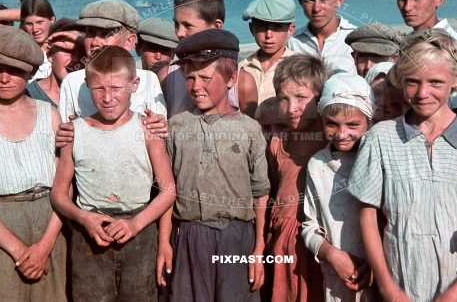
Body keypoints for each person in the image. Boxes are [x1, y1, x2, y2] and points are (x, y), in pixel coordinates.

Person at [347, 28, 457, 302]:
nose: (423, 93)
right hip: (401, 287)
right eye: (412, 82)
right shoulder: (381, 138)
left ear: (456, 78)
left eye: (436, 82)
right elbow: (368, 217)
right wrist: (388, 288)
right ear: (400, 79)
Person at [51, 46, 176, 302]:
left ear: (135, 84)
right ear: (87, 86)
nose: (108, 98)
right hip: (89, 235)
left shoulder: (148, 129)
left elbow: (168, 190)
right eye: (99, 89)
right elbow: (59, 194)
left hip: (140, 233)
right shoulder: (74, 132)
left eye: (116, 88)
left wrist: (135, 224)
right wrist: (83, 218)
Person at [157, 29, 270, 302]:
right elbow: (167, 191)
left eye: (206, 77)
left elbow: (261, 192)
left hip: (237, 237)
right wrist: (164, 244)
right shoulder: (176, 127)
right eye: (190, 77)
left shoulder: (249, 129)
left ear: (231, 79)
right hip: (188, 237)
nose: (197, 86)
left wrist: (258, 250)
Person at [0, 26, 66, 301]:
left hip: (49, 223)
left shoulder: (50, 115)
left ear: (31, 73)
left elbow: (65, 186)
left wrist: (45, 245)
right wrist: (19, 251)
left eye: (16, 71)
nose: (5, 78)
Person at [301, 73, 379, 302]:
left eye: (353, 124)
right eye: (332, 124)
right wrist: (333, 255)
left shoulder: (381, 160)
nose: (342, 134)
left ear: (369, 120)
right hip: (337, 279)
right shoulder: (317, 165)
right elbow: (309, 225)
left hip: (384, 276)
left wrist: (377, 266)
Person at [266, 54, 330, 302]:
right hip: (281, 239)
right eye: (284, 99)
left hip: (316, 242)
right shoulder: (277, 143)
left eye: (302, 98)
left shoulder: (329, 142)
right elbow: (273, 188)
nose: (292, 108)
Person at [57, 0, 166, 122]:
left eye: (106, 34)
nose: (95, 42)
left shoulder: (148, 79)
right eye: (90, 33)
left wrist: (159, 124)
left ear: (129, 42)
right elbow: (63, 129)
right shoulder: (72, 81)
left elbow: (159, 126)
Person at [157, 0, 244, 118]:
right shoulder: (167, 77)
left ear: (215, 26)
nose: (179, 33)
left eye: (188, 25)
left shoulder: (242, 82)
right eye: (176, 24)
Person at [286, 0, 356, 75]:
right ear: (300, 1)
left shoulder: (354, 39)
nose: (316, 8)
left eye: (324, 0)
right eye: (309, 0)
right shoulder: (293, 42)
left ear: (339, 0)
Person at [240, 0, 297, 111]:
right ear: (252, 29)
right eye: (261, 27)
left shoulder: (299, 68)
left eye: (277, 27)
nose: (268, 35)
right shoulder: (242, 68)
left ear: (290, 30)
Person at [25, 18, 86, 107]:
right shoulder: (27, 94)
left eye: (81, 52)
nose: (75, 59)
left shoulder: (92, 95)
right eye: (67, 51)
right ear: (50, 54)